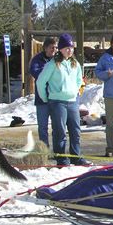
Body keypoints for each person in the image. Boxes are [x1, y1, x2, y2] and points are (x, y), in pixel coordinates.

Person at [36, 34, 89, 166]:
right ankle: (61, 158)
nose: (69, 50)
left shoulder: (75, 63)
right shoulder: (53, 64)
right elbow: (41, 82)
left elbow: (79, 80)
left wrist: (75, 91)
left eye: (71, 47)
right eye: (66, 48)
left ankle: (75, 156)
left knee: (75, 130)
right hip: (57, 102)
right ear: (60, 49)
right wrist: (45, 97)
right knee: (60, 131)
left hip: (72, 101)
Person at [29, 37, 57, 147]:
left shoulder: (58, 59)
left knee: (57, 126)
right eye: (51, 47)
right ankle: (45, 149)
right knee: (42, 126)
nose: (54, 50)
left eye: (55, 47)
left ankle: (57, 149)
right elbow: (35, 72)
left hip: (55, 97)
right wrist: (50, 74)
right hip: (42, 98)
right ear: (45, 48)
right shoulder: (37, 59)